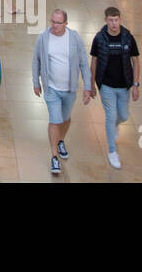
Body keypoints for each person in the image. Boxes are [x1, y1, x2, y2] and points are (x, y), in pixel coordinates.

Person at [31, 9, 93, 175]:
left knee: (65, 119)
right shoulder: (44, 38)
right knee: (55, 120)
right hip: (51, 89)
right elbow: (36, 60)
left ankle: (60, 141)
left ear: (66, 23)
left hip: (70, 89)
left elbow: (84, 64)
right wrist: (36, 83)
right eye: (52, 21)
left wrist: (88, 87)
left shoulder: (74, 38)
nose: (54, 25)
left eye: (58, 23)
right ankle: (54, 157)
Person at [90, 6, 141, 169]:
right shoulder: (99, 38)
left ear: (120, 20)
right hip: (106, 86)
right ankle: (112, 151)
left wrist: (135, 84)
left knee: (124, 116)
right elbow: (95, 61)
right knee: (110, 116)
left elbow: (136, 61)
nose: (114, 24)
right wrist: (91, 84)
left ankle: (114, 127)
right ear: (106, 20)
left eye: (116, 20)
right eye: (111, 20)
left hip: (124, 85)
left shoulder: (127, 37)